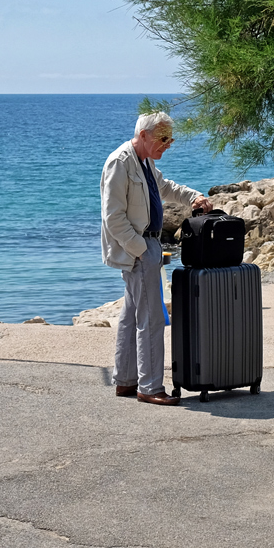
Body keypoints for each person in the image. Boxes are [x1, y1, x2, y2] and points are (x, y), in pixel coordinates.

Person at [101, 111, 210, 406]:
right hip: (139, 249)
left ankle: (125, 381)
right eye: (163, 138)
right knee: (151, 320)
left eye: (170, 139)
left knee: (131, 316)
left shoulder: (144, 160)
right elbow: (113, 217)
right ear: (144, 135)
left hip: (145, 246)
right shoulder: (120, 162)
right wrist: (141, 250)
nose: (168, 144)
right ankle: (149, 386)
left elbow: (164, 187)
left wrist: (192, 198)